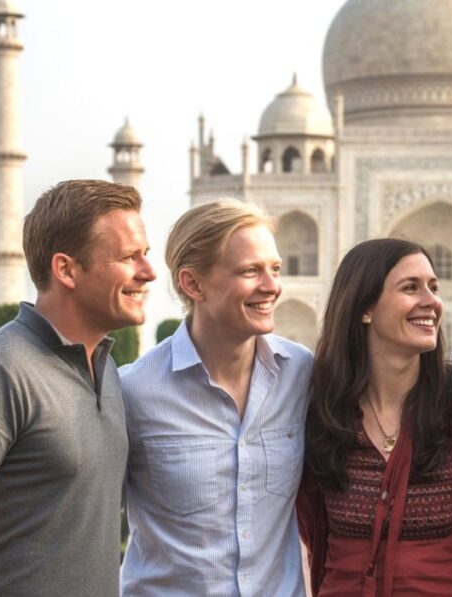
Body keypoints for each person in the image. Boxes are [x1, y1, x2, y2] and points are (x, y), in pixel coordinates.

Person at [0, 180, 156, 597]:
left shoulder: (107, 375)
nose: (148, 272)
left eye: (146, 255)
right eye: (129, 257)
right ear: (66, 269)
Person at [119, 200, 312, 596]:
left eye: (274, 269)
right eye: (250, 271)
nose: (271, 286)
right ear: (193, 284)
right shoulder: (134, 391)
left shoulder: (301, 375)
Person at [297, 238, 452, 597]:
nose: (432, 301)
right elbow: (315, 527)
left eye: (433, 287)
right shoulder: (322, 410)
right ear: (364, 308)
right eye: (411, 288)